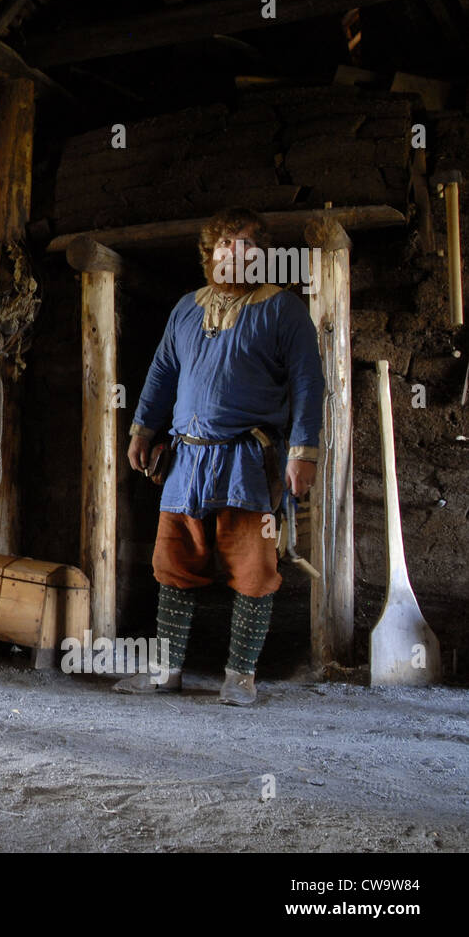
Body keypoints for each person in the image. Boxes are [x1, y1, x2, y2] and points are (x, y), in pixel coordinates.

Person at [114, 207, 325, 705]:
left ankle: (240, 676)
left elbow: (307, 384)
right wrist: (142, 429)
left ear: (263, 256)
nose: (238, 253)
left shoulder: (283, 309)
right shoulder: (186, 309)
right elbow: (162, 373)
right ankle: (166, 671)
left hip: (250, 461)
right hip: (186, 461)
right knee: (173, 561)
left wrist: (303, 452)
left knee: (254, 566)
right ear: (210, 254)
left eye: (249, 244)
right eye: (227, 244)